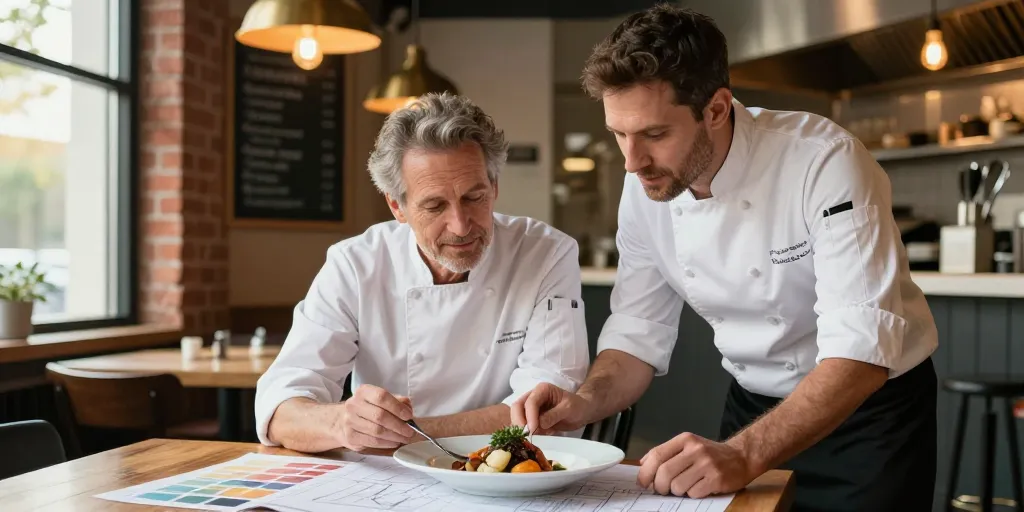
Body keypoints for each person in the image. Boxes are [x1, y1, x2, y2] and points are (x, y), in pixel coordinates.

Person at [511, 5, 938, 511]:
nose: (632, 162)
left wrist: (743, 454)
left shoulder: (824, 161)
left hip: (866, 421)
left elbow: (862, 352)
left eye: (653, 134)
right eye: (618, 134)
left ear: (715, 109)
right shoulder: (644, 186)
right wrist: (586, 399)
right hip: (752, 409)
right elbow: (637, 331)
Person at [256, 92, 589, 453]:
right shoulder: (356, 265)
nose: (461, 226)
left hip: (506, 472)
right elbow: (279, 407)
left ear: (494, 187)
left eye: (474, 198)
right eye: (434, 205)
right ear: (397, 205)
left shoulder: (546, 253)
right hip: (384, 483)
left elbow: (548, 408)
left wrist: (407, 436)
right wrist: (341, 424)